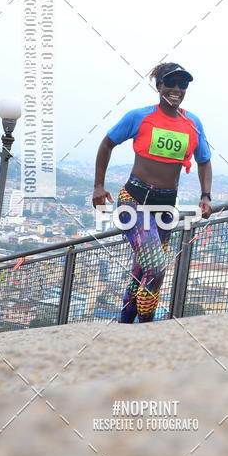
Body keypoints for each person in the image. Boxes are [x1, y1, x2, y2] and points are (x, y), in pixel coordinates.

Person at [92, 63, 212, 323]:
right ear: (158, 86)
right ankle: (147, 323)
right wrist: (98, 185)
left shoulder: (193, 123)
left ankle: (126, 323)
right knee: (156, 266)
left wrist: (206, 196)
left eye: (183, 84)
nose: (176, 89)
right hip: (133, 200)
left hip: (165, 207)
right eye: (170, 82)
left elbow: (204, 160)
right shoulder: (139, 116)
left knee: (143, 268)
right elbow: (107, 143)